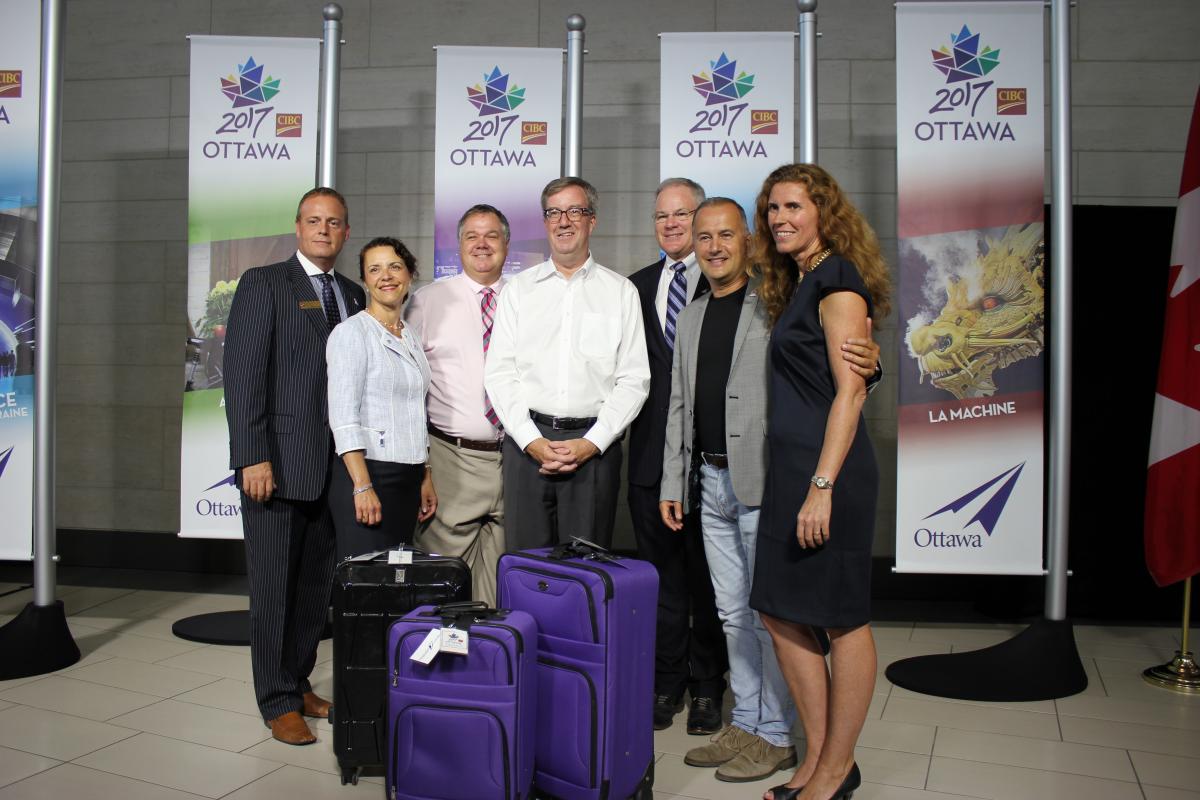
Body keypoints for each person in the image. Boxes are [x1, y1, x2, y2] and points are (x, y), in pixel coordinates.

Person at [660, 198, 880, 784]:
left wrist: (871, 363)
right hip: (709, 481)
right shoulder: (694, 314)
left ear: (748, 241)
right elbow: (680, 402)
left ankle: (779, 736)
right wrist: (672, 477)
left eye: (726, 234)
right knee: (733, 615)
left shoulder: (778, 301)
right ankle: (751, 722)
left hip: (767, 478)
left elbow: (827, 369)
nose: (713, 246)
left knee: (772, 617)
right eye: (702, 237)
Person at [748, 164, 891, 800]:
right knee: (780, 611)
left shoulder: (836, 277)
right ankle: (817, 759)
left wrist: (822, 486)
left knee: (840, 620)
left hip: (829, 473)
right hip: (793, 470)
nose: (780, 219)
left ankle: (835, 770)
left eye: (793, 207)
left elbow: (851, 392)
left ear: (823, 212)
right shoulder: (802, 279)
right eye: (772, 209)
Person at [223, 186, 364, 746]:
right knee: (275, 587)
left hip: (335, 469)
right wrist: (251, 456)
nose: (324, 230)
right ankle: (277, 700)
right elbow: (242, 375)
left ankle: (299, 680)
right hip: (277, 465)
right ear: (298, 226)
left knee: (314, 589)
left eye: (334, 222)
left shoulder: (353, 294)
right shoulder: (264, 283)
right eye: (314, 221)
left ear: (346, 232)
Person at [484, 176, 650, 548]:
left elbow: (634, 379)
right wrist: (531, 441)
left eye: (575, 210)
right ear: (545, 222)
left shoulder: (620, 292)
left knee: (585, 572)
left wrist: (592, 442)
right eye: (554, 212)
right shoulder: (518, 291)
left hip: (594, 450)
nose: (564, 220)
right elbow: (499, 373)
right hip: (527, 449)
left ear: (593, 220)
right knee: (528, 566)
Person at [628, 178, 727, 735]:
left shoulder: (726, 283)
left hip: (710, 459)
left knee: (712, 582)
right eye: (661, 216)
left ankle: (709, 686)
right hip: (647, 460)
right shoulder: (633, 287)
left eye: (682, 214)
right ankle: (666, 682)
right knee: (662, 581)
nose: (670, 224)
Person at [406, 205, 509, 604]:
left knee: (502, 580)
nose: (482, 245)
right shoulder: (428, 301)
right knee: (442, 580)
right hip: (451, 458)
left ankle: (490, 661)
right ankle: (442, 662)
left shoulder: (525, 299)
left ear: (506, 243)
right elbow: (409, 387)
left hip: (514, 458)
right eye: (472, 236)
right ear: (459, 245)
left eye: (492, 236)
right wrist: (424, 467)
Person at [327, 237, 435, 560]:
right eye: (374, 269)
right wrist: (362, 486)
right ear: (364, 281)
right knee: (367, 585)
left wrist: (425, 475)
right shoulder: (351, 334)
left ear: (409, 275)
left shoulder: (410, 335)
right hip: (369, 474)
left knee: (397, 583)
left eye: (394, 266)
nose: (385, 276)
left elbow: (417, 411)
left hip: (408, 477)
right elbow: (344, 418)